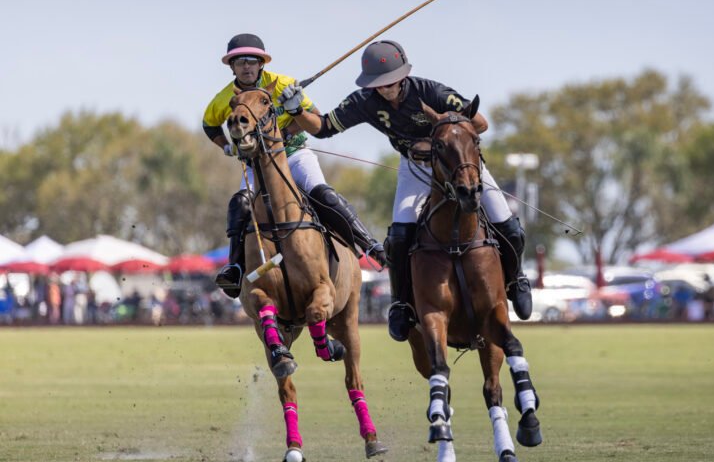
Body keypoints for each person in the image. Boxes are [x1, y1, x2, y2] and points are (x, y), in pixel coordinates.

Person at [280, 40, 533, 342]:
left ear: (403, 75)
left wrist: (437, 142)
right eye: (378, 84)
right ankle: (400, 304)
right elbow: (322, 128)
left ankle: (516, 279)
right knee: (399, 236)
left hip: (456, 164)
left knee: (507, 223)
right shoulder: (363, 101)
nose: (385, 89)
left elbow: (479, 123)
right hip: (414, 169)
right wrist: (297, 109)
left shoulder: (432, 92)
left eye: (390, 82)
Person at [203, 34, 385, 298]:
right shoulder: (223, 99)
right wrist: (226, 146)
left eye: (251, 61)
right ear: (231, 67)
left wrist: (295, 112)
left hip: (295, 154)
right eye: (239, 61)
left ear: (261, 63)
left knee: (322, 192)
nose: (246, 66)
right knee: (240, 203)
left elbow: (316, 120)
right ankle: (235, 267)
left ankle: (368, 244)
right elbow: (209, 125)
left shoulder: (284, 85)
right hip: (257, 165)